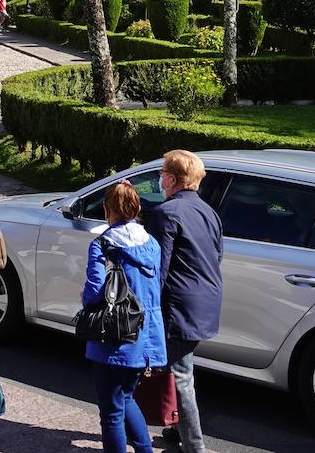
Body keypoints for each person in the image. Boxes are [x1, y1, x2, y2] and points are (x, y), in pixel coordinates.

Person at [147, 151, 222, 453]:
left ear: (173, 179)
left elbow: (158, 269)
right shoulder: (208, 212)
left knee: (180, 376)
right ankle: (178, 430)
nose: (160, 177)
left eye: (163, 172)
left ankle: (195, 446)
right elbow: (217, 255)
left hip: (179, 305)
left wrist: (147, 311)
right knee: (179, 368)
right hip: (205, 301)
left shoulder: (166, 214)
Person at [85, 180, 166, 453]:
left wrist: (84, 299)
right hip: (144, 334)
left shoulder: (103, 244)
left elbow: (96, 290)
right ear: (138, 207)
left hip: (114, 334)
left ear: (108, 209)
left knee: (110, 410)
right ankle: (145, 449)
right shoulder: (152, 244)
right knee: (127, 396)